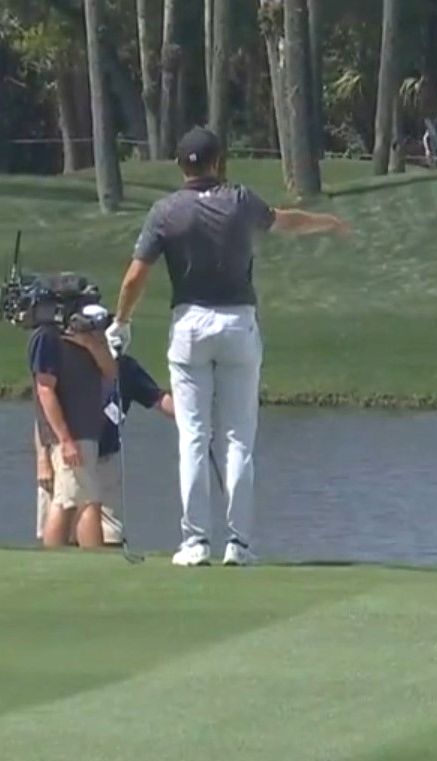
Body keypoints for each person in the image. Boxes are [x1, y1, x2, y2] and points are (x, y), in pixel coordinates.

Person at [108, 125, 351, 567]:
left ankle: (196, 542)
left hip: (190, 326)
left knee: (194, 437)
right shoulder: (240, 200)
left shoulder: (166, 211)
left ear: (182, 166)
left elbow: (134, 276)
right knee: (238, 438)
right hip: (238, 323)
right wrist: (328, 223)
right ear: (218, 162)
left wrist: (121, 322)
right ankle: (238, 544)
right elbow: (284, 221)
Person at [34, 343, 174, 546]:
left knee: (110, 535)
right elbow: (43, 414)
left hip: (105, 460)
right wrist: (43, 460)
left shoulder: (126, 368)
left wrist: (194, 420)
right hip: (68, 454)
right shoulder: (68, 360)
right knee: (65, 515)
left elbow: (157, 398)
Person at [30, 307, 116, 549]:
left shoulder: (90, 347)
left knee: (77, 499)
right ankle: (71, 559)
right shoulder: (51, 341)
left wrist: (93, 345)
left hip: (87, 434)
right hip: (71, 436)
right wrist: (65, 440)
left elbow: (112, 372)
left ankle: (66, 558)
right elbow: (44, 392)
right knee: (76, 501)